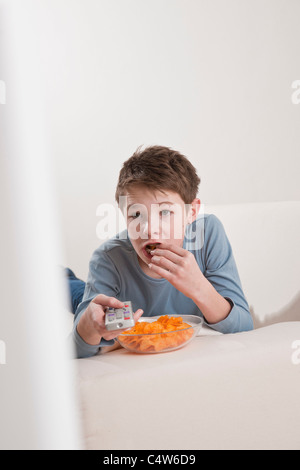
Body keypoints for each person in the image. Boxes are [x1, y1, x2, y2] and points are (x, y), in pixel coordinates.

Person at [72, 145, 253, 358]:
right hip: (108, 287)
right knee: (75, 294)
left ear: (191, 212)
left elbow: (244, 327)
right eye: (136, 214)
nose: (149, 228)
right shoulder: (108, 259)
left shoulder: (208, 234)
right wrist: (88, 326)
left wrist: (199, 288)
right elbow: (77, 352)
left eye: (165, 212)